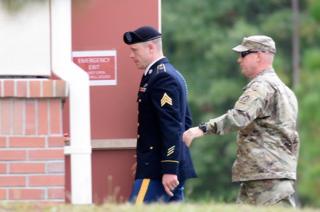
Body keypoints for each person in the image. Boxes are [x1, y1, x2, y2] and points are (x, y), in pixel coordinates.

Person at [183, 35, 300, 207]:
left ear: (259, 55)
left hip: (265, 178)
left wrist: (202, 129)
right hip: (271, 175)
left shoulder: (261, 86)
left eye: (244, 54)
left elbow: (238, 117)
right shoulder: (286, 91)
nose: (239, 60)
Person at [123, 26, 197, 204]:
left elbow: (172, 126)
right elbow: (185, 120)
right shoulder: (160, 74)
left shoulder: (163, 77)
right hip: (160, 165)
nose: (131, 55)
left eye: (135, 50)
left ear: (151, 48)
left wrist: (170, 168)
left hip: (158, 169)